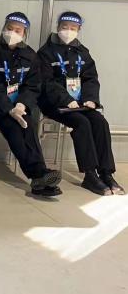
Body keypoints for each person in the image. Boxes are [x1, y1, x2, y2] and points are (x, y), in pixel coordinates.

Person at [38, 11, 124, 196]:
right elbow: (47, 82)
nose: (68, 31)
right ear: (58, 27)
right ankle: (90, 174)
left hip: (80, 103)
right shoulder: (45, 52)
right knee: (82, 123)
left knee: (100, 122)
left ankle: (106, 173)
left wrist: (90, 99)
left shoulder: (83, 52)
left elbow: (90, 78)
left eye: (73, 28)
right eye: (64, 27)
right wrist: (66, 100)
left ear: (78, 30)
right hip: (55, 103)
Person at [0, 12, 62, 197]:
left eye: (18, 30)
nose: (12, 32)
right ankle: (38, 175)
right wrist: (9, 108)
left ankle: (39, 177)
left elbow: (33, 85)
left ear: (24, 33)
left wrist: (21, 105)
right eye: (9, 28)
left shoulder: (30, 55)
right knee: (14, 128)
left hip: (19, 106)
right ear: (4, 28)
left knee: (29, 126)